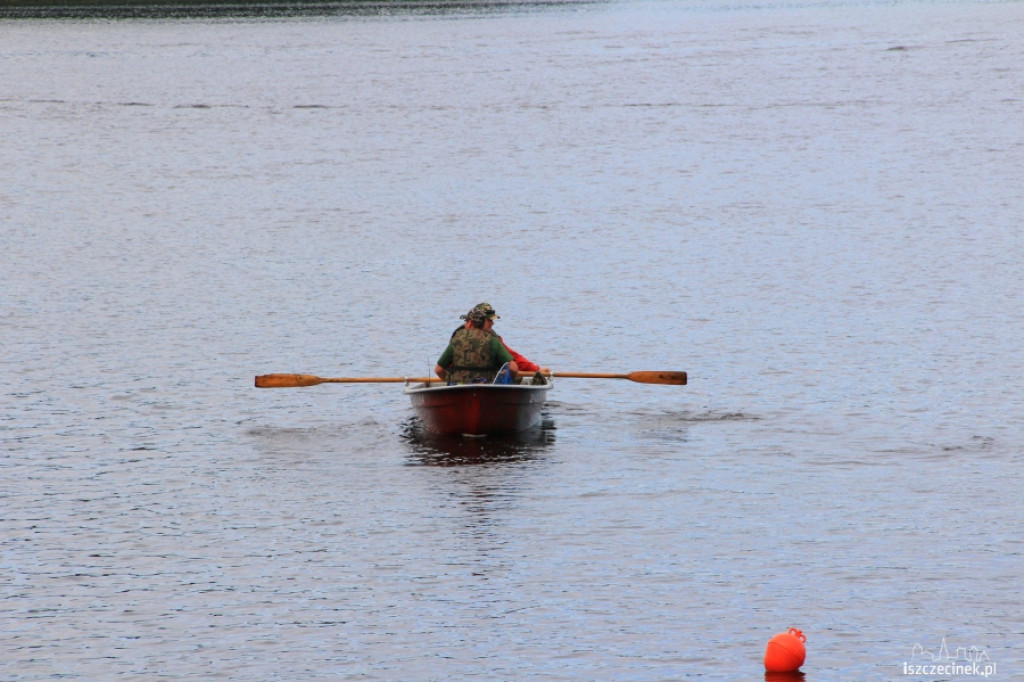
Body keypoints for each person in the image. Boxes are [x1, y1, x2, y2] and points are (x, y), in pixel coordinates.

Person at [448, 303, 547, 374]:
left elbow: (514, 358)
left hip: (484, 381)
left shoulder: (493, 339)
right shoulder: (457, 339)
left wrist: (535, 369)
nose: (492, 323)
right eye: (489, 320)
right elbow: (443, 367)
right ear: (478, 320)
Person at [435, 304, 518, 384]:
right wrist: (504, 379)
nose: (492, 323)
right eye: (490, 321)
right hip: (487, 389)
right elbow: (513, 368)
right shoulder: (493, 340)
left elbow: (438, 370)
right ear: (482, 322)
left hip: (459, 390)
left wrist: (450, 380)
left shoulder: (456, 340)